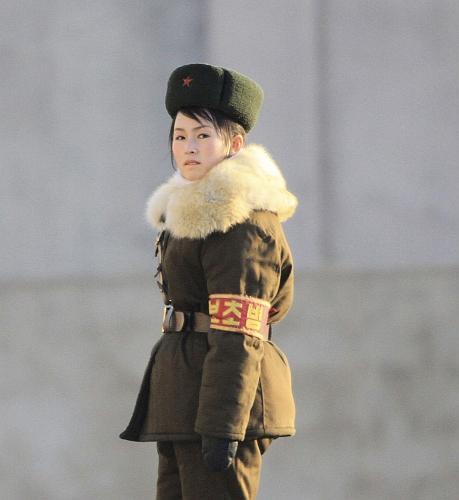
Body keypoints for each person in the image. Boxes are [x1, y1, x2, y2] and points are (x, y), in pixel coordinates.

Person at [119, 63, 298, 500]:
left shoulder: (240, 221)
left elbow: (240, 333)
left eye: (203, 135)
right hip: (183, 401)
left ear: (234, 144)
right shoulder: (189, 216)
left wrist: (222, 426)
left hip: (219, 410)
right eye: (180, 136)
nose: (188, 147)